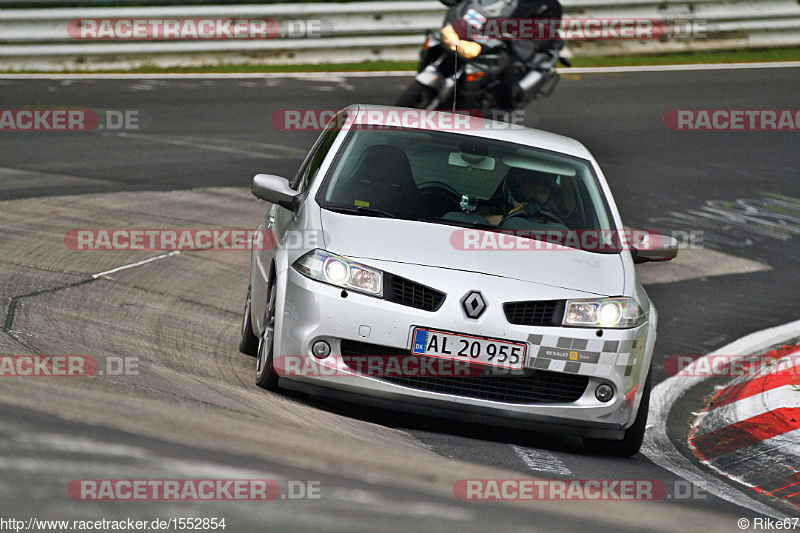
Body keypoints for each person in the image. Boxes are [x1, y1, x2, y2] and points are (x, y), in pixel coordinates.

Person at [481, 166, 561, 225]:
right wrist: (507, 217)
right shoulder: (495, 205)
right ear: (520, 187)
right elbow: (478, 221)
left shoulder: (553, 218)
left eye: (544, 192)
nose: (538, 196)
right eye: (532, 189)